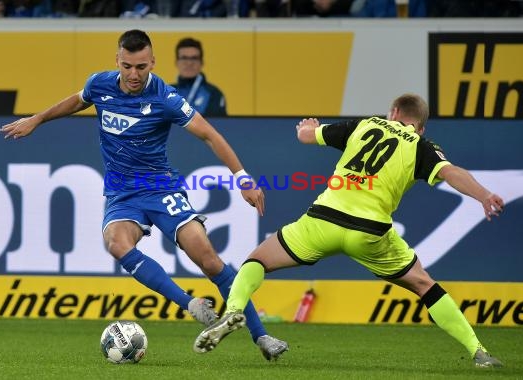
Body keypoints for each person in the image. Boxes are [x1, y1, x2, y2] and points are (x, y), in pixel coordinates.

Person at [0, 29, 288, 361]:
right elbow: (77, 101)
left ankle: (262, 336)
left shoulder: (165, 97)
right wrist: (37, 119)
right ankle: (189, 304)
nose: (134, 75)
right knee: (117, 243)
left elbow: (209, 135)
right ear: (117, 62)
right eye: (127, 66)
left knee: (206, 257)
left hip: (161, 188)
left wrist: (242, 178)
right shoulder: (100, 84)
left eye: (141, 66)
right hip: (123, 194)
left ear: (152, 61)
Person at [193, 93, 505, 368]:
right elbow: (451, 172)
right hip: (369, 232)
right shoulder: (422, 146)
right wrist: (484, 195)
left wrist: (308, 126)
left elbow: (306, 135)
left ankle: (232, 310)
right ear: (420, 126)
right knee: (425, 285)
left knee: (257, 261)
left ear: (393, 112)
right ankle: (477, 351)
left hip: (323, 220)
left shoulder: (365, 124)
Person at [170, 37, 227, 117]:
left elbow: (217, 125)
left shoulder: (214, 94)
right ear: (176, 62)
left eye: (194, 58)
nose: (189, 63)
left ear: (202, 63)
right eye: (184, 58)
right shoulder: (166, 93)